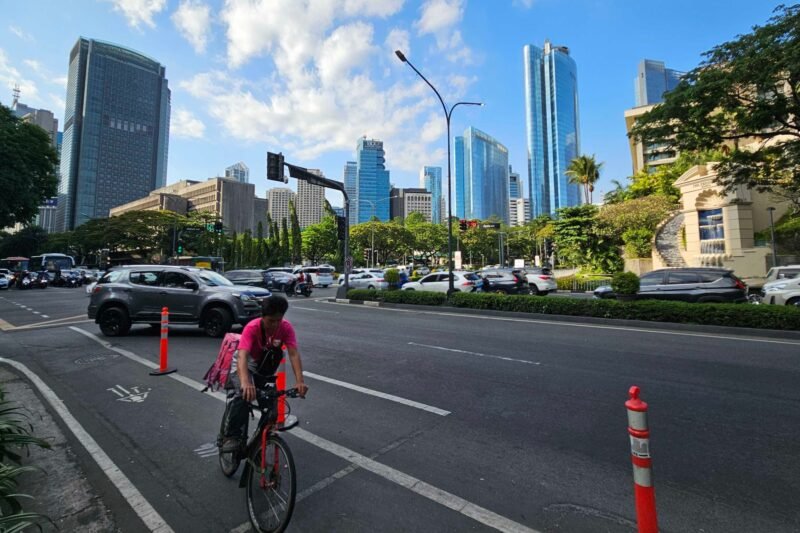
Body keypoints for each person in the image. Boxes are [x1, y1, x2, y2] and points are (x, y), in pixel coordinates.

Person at [222, 296, 308, 451]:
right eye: (270, 320)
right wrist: (246, 383)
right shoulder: (252, 327)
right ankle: (231, 436)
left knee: (272, 411)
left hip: (265, 370)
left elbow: (293, 354)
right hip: (245, 365)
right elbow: (242, 356)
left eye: (278, 320)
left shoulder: (286, 328)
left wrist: (300, 381)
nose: (275, 325)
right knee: (244, 395)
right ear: (262, 316)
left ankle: (258, 444)